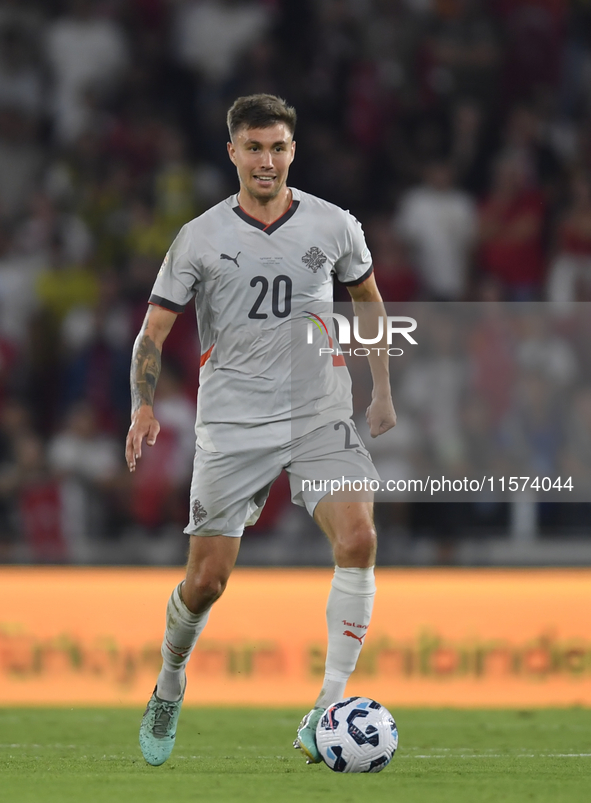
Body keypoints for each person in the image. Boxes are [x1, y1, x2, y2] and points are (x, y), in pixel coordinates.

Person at [125, 94, 396, 767]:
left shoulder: (334, 226)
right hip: (232, 423)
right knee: (206, 582)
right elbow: (154, 329)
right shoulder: (199, 236)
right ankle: (169, 679)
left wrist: (382, 388)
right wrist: (141, 404)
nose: (266, 160)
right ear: (232, 153)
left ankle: (325, 709)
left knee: (358, 536)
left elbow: (367, 300)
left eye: (277, 147)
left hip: (317, 414)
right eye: (253, 147)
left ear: (292, 151)